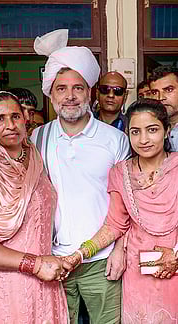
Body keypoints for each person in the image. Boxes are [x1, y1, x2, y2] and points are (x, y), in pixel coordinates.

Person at [63, 98, 178, 323]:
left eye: (152, 130)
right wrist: (81, 254)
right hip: (136, 270)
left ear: (167, 130)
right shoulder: (120, 172)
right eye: (135, 131)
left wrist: (177, 255)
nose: (143, 140)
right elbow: (115, 224)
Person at [32, 29, 130, 323]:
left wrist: (120, 250)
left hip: (102, 259)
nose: (70, 96)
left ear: (90, 92)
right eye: (61, 88)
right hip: (55, 261)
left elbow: (126, 204)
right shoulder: (38, 138)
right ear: (50, 94)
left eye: (78, 88)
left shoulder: (115, 139)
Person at [0, 91, 69, 323]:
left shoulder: (36, 159)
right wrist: (35, 264)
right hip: (4, 287)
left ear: (25, 119)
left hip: (45, 281)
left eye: (15, 116)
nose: (10, 125)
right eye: (0, 119)